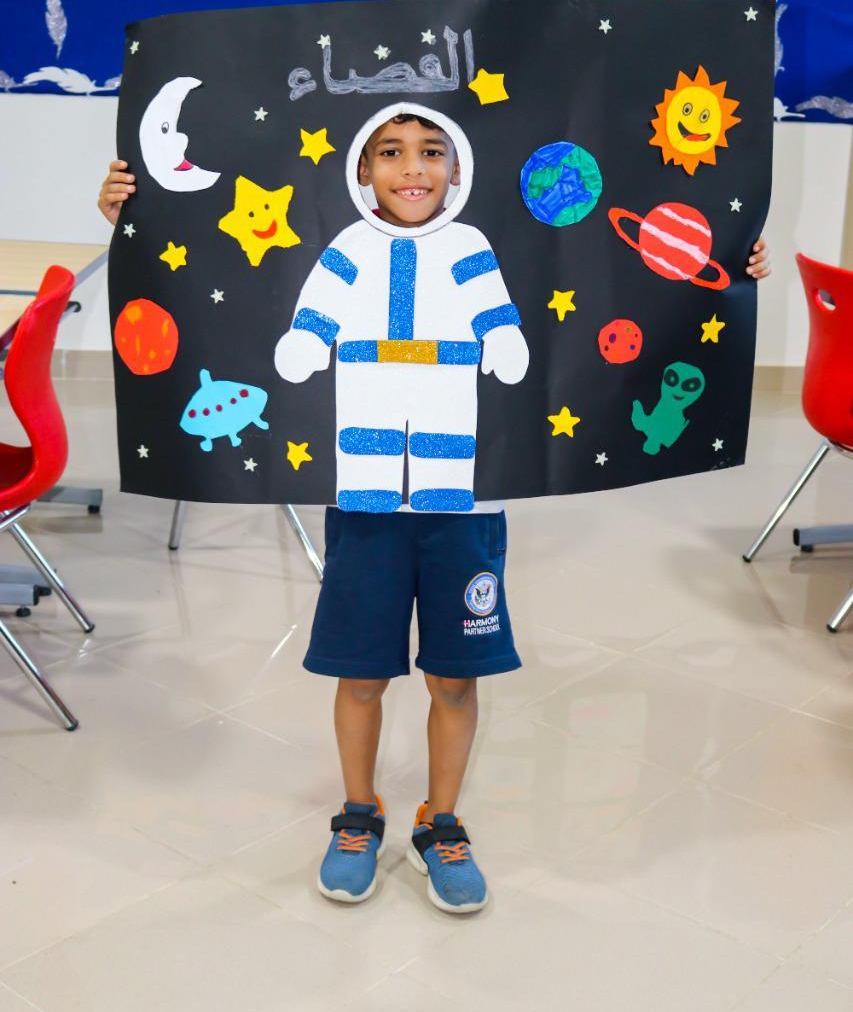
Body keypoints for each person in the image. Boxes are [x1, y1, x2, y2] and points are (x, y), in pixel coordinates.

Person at [97, 131, 771, 915]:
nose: (410, 167)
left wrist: (725, 257)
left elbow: (568, 281)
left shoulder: (473, 246)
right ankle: (358, 817)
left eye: (430, 151)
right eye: (389, 152)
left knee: (454, 673)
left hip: (461, 494)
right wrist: (134, 221)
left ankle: (440, 823)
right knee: (362, 669)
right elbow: (298, 300)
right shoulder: (347, 246)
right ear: (361, 169)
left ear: (457, 169)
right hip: (365, 492)